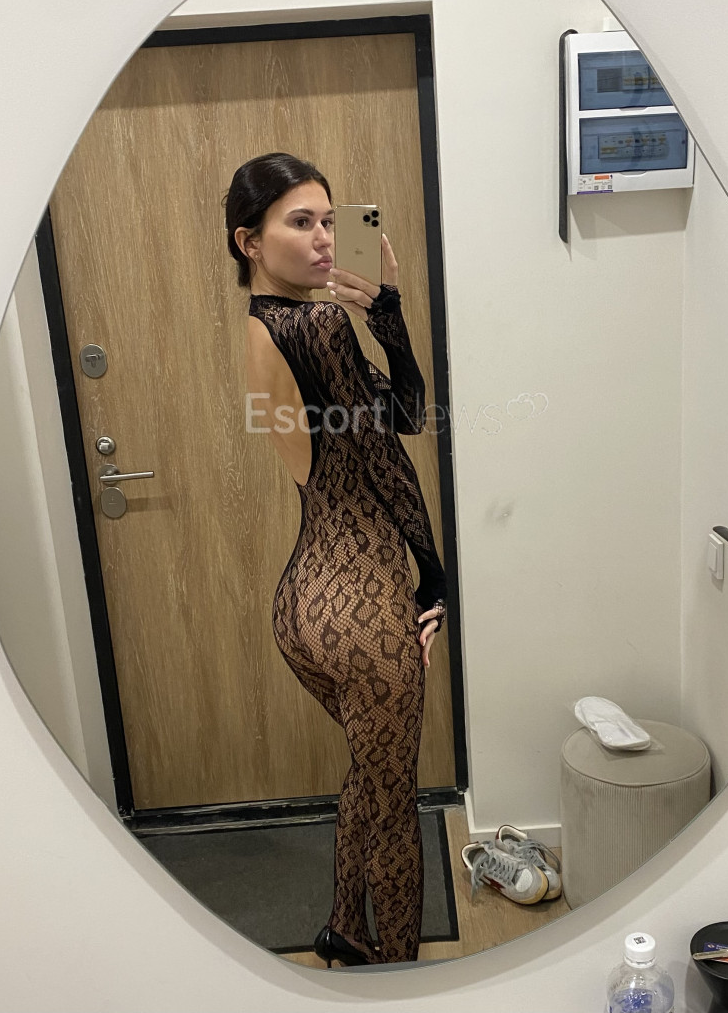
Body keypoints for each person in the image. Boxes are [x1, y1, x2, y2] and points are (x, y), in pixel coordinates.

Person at [224, 152, 448, 966]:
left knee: (371, 774)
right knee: (395, 809)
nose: (324, 238)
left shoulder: (262, 326)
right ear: (249, 240)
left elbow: (397, 417)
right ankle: (400, 979)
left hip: (305, 602)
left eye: (330, 220)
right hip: (363, 606)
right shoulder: (317, 327)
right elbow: (394, 455)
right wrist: (434, 577)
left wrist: (385, 312)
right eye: (300, 222)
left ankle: (346, 931)